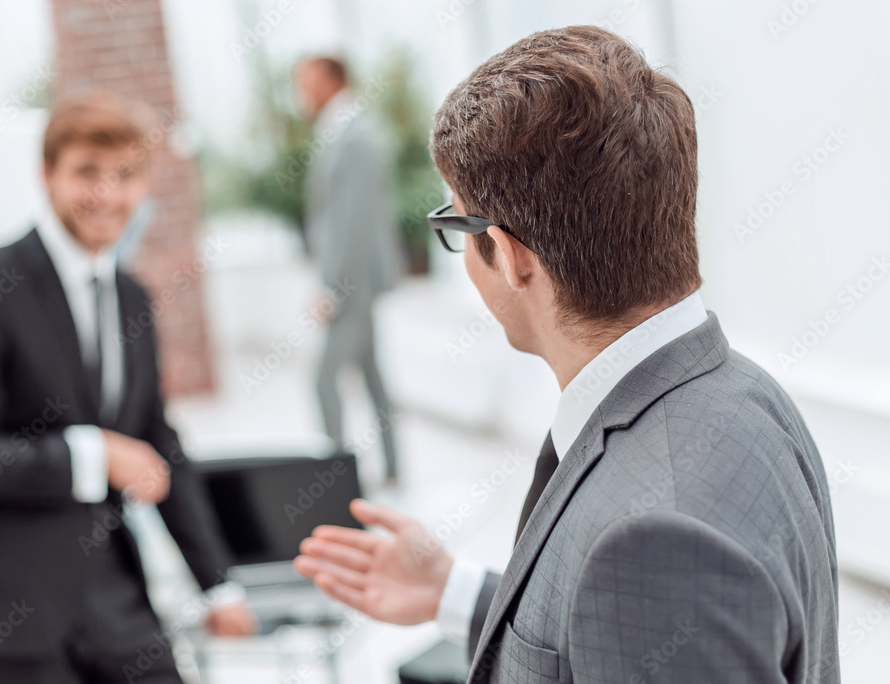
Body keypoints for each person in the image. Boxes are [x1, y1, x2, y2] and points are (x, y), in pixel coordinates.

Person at [294, 27, 839, 683]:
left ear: (512, 257)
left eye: (455, 223)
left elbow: (643, 603)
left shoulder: (651, 543)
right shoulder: (749, 393)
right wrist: (454, 593)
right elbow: (613, 635)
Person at [0, 92, 256, 683]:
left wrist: (217, 584)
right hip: (7, 618)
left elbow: (157, 443)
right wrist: (94, 454)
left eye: (125, 175)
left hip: (115, 603)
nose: (107, 193)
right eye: (87, 172)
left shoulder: (132, 297)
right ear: (47, 174)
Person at [295, 56, 403, 484]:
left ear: (330, 80)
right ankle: (393, 468)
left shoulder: (355, 136)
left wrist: (335, 288)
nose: (301, 93)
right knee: (371, 374)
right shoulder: (340, 130)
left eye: (306, 82)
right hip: (353, 281)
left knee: (323, 380)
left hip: (351, 283)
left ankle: (335, 482)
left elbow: (354, 223)